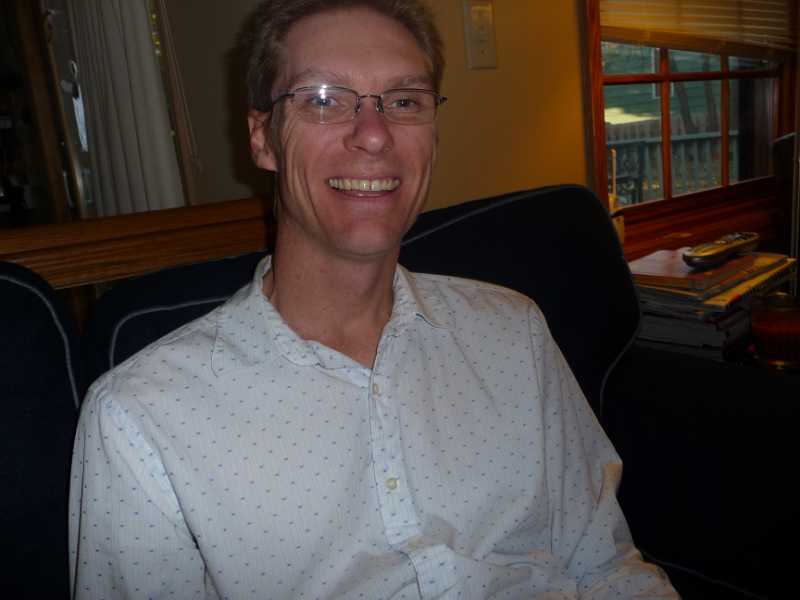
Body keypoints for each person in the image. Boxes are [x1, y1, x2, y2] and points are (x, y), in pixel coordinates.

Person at [69, 1, 678, 598]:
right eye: (322, 100)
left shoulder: (513, 331)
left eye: (404, 101)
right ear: (263, 139)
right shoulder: (142, 417)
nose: (374, 134)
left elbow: (606, 565)